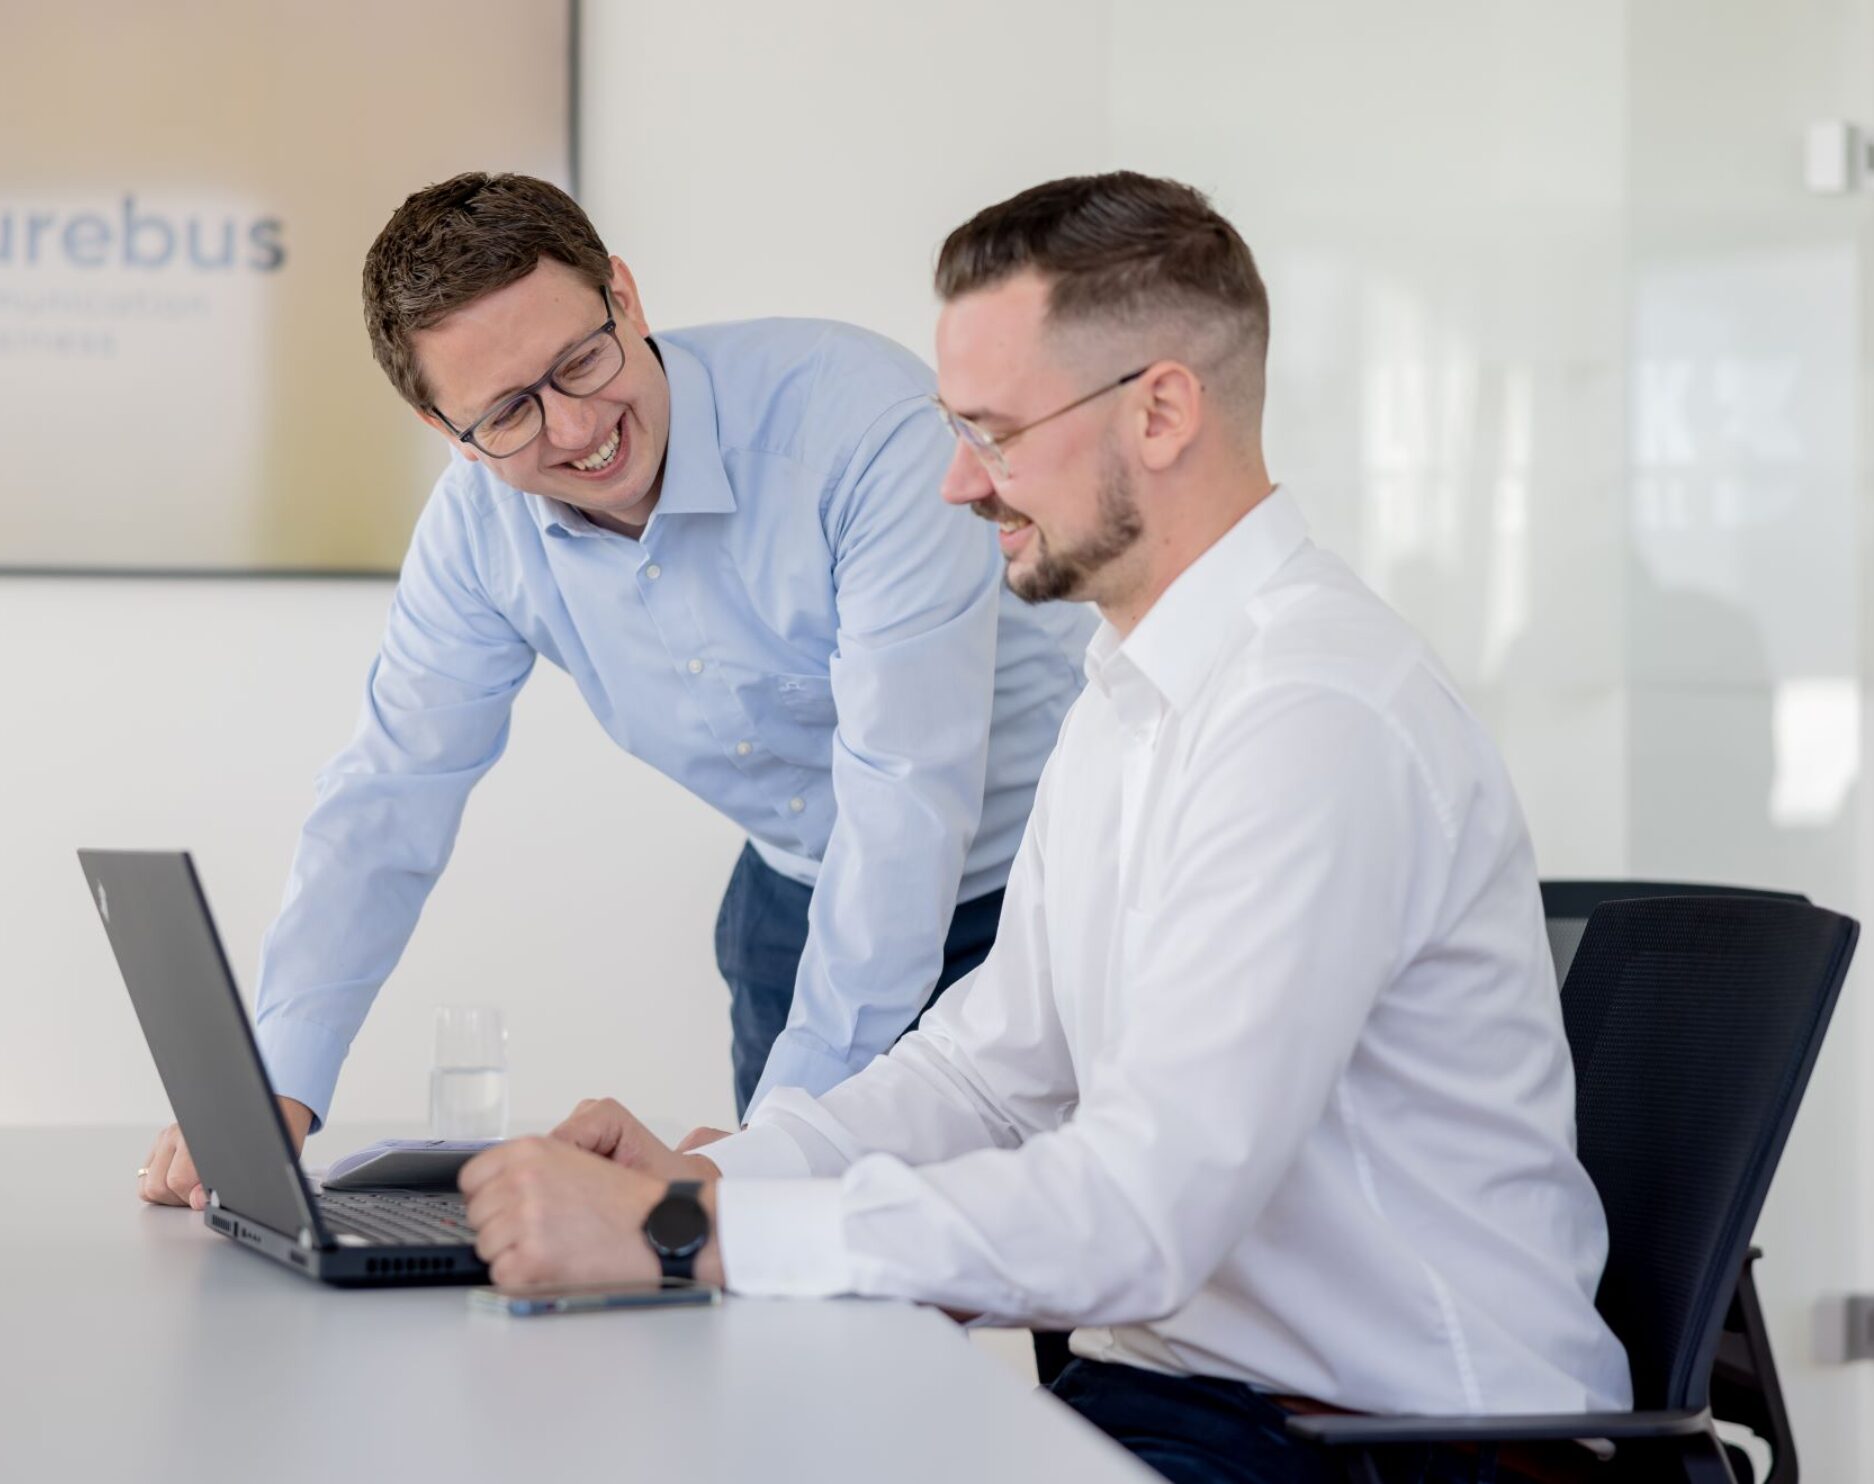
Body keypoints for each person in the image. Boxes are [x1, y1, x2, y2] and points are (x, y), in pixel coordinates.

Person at [452, 172, 1633, 1484]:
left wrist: (685, 1233)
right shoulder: (1135, 694)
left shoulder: (1312, 717)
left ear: (1161, 410)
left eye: (994, 433)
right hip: (1208, 1404)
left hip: (1413, 1445)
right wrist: (721, 1171)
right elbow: (986, 1070)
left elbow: (1139, 1213)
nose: (957, 483)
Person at [135, 172, 1092, 1206]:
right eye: (504, 411)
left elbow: (904, 800)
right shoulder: (476, 530)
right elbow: (387, 793)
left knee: (1053, 1271)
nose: (573, 426)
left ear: (624, 297)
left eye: (580, 361)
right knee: (801, 1319)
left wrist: (762, 1149)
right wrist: (273, 1086)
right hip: (792, 903)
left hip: (1031, 892)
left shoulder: (862, 427)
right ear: (440, 426)